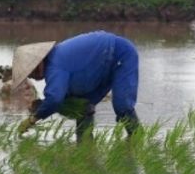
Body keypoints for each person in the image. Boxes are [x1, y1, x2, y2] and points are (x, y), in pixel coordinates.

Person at [11, 31, 141, 142]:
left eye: (31, 73)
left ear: (38, 64)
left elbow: (55, 98)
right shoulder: (56, 62)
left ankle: (137, 138)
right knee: (82, 106)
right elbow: (61, 96)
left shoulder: (55, 65)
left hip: (120, 54)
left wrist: (33, 119)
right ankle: (85, 144)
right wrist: (42, 106)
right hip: (101, 64)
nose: (32, 77)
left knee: (122, 106)